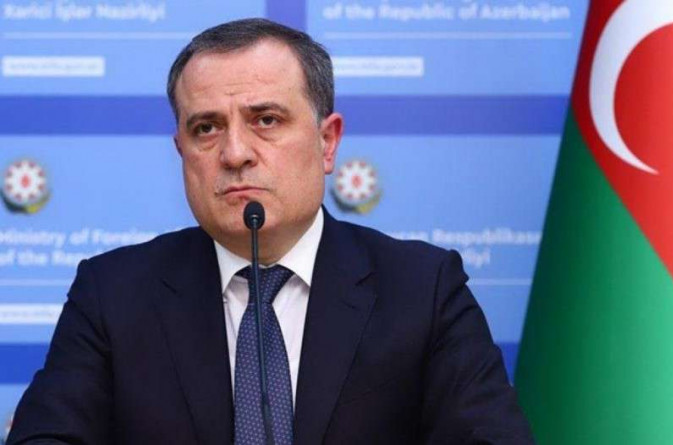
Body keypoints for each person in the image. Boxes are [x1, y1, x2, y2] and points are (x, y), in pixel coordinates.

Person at [8, 18, 534, 444]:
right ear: (181, 151)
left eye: (266, 120)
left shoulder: (422, 288)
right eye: (206, 128)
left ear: (327, 142)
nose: (235, 153)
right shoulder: (113, 293)